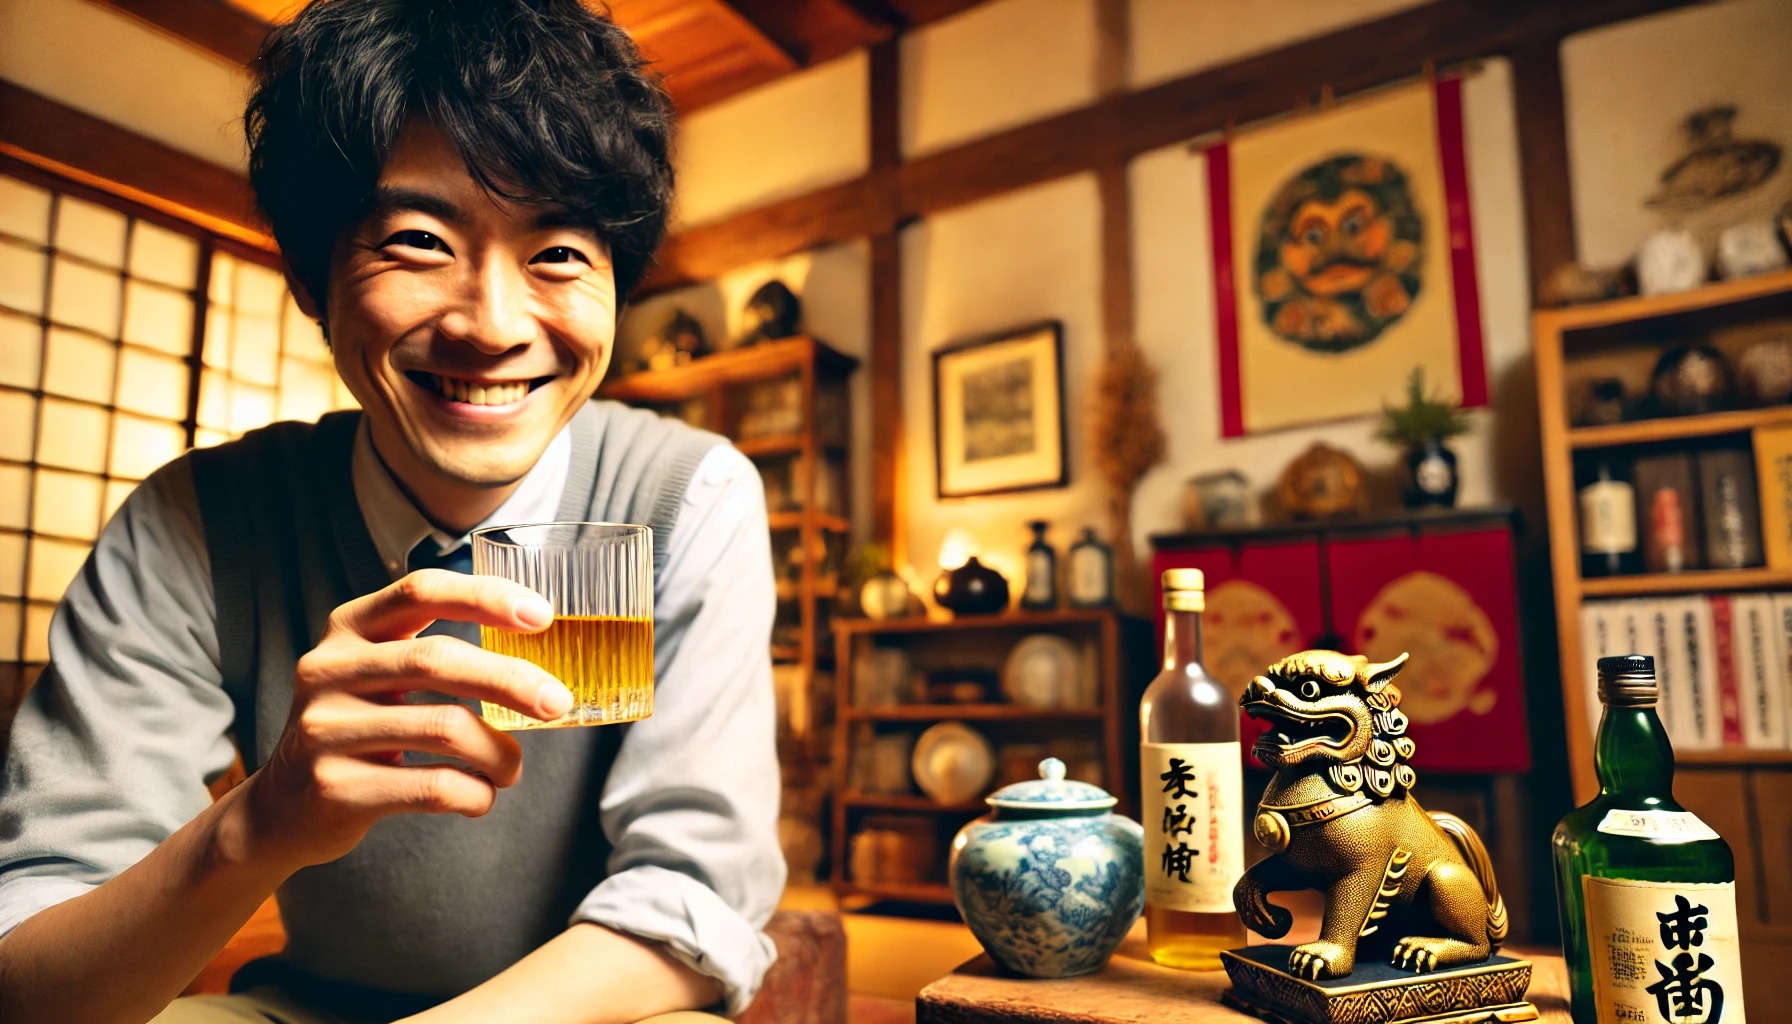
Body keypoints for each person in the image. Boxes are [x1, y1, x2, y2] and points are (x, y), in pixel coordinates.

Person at [0, 1, 783, 1021]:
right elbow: (31, 982)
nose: (493, 325)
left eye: (556, 254)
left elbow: (692, 897)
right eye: (417, 240)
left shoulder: (685, 493)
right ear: (312, 278)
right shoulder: (200, 521)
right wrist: (259, 822)